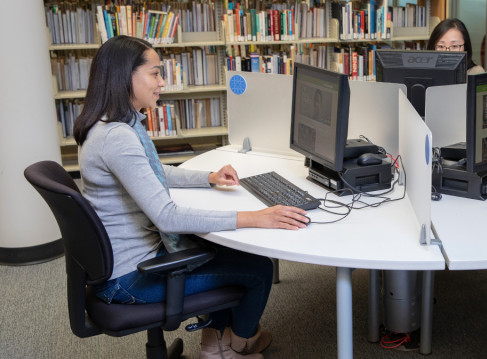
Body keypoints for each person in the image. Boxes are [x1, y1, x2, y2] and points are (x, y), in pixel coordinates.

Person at [73, 35, 310, 359]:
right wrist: (256, 218)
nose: (162, 82)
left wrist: (208, 179)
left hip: (123, 264)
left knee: (216, 248)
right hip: (128, 280)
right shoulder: (117, 137)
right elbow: (167, 216)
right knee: (259, 270)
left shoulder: (110, 126)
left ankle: (216, 345)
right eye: (155, 73)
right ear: (126, 75)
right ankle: (241, 345)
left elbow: (152, 172)